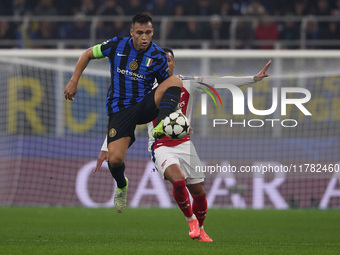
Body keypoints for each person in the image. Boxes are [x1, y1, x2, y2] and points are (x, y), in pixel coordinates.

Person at [94, 48, 271, 241]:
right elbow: (124, 121)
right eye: (162, 60)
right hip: (160, 145)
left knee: (199, 192)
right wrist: (106, 145)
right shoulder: (145, 89)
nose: (166, 64)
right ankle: (191, 222)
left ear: (174, 63)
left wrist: (253, 78)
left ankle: (201, 228)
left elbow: (219, 82)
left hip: (185, 144)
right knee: (178, 180)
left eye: (169, 60)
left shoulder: (188, 83)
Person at [64, 13, 183, 213]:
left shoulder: (159, 56)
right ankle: (121, 185)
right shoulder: (116, 45)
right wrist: (74, 80)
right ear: (132, 33)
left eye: (148, 32)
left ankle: (162, 124)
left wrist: (175, 112)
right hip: (120, 110)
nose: (144, 37)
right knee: (115, 160)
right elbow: (87, 54)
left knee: (176, 81)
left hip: (144, 105)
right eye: (139, 33)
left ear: (152, 32)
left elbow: (165, 87)